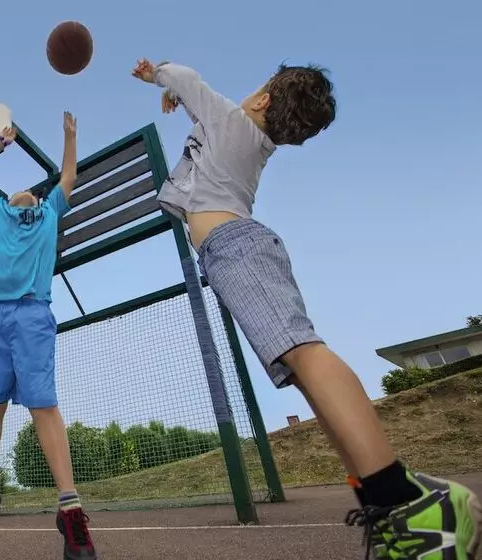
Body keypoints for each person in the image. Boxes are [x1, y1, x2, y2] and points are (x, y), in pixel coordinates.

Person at [131, 58, 481, 559]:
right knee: (301, 366)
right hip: (236, 248)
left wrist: (158, 73)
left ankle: (411, 504)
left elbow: (190, 81)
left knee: (304, 352)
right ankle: (391, 507)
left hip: (234, 246)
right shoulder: (250, 140)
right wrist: (179, 98)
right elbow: (197, 109)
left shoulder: (229, 120)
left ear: (264, 99)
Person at [0, 112, 97, 560]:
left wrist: (70, 137)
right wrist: (0, 143)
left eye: (35, 191)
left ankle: (70, 510)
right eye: (23, 191)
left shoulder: (48, 213)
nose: (28, 192)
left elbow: (69, 176)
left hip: (32, 314)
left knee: (44, 404)